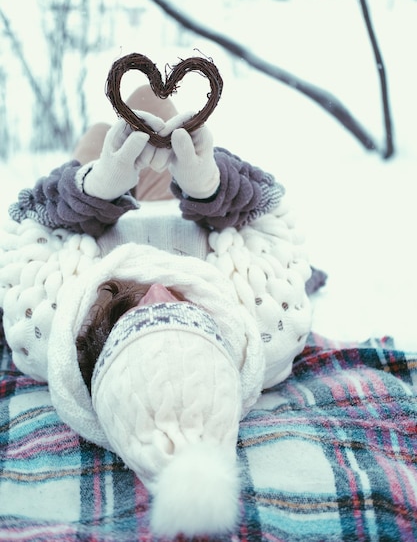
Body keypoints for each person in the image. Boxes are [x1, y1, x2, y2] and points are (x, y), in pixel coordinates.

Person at [0, 83, 323, 538]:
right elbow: (273, 218)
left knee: (106, 132)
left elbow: (23, 223)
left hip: (90, 219)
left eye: (129, 317)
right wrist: (210, 184)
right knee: (152, 103)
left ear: (96, 354)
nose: (155, 292)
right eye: (183, 314)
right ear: (223, 341)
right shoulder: (265, 326)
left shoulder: (50, 327)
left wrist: (96, 186)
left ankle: (101, 158)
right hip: (196, 212)